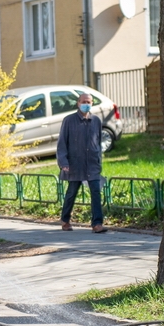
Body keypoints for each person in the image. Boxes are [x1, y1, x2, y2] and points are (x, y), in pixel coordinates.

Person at [57, 92, 107, 234]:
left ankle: (97, 224)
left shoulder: (96, 121)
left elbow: (98, 143)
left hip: (92, 164)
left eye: (89, 102)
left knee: (96, 192)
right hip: (74, 164)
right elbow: (62, 143)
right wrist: (63, 162)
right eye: (84, 101)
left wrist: (98, 161)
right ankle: (65, 220)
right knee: (72, 192)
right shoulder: (69, 120)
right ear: (78, 103)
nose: (86, 104)